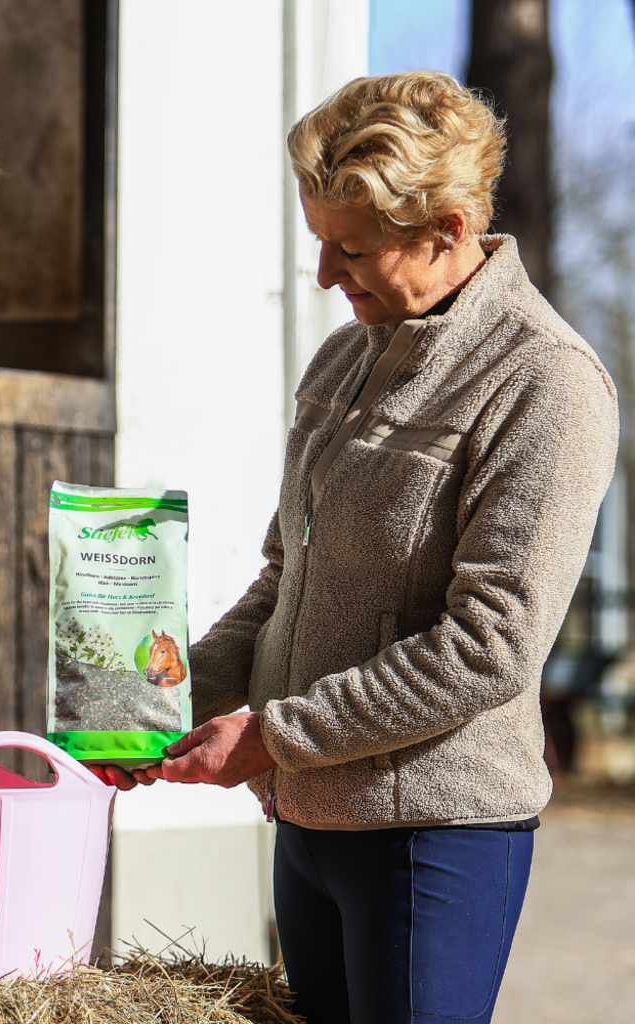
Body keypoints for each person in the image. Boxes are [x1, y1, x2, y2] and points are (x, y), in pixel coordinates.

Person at [103, 71, 619, 1024]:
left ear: (448, 230)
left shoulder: (546, 383)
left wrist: (271, 737)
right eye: (318, 242)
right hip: (306, 824)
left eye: (351, 248)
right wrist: (157, 703)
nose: (323, 275)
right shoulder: (343, 360)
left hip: (432, 839)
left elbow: (491, 646)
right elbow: (281, 582)